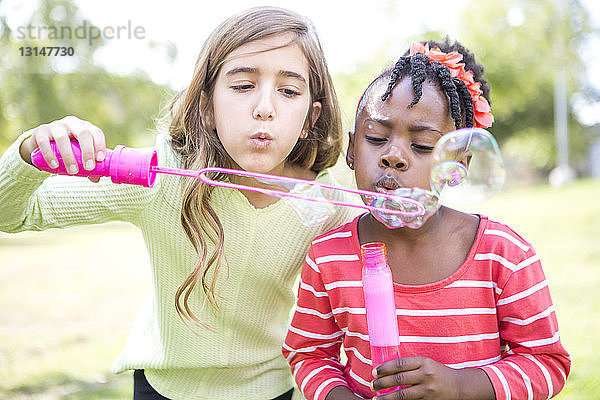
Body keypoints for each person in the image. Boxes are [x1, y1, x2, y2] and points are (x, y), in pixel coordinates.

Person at [0, 6, 359, 400]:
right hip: (161, 390)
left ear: (311, 116)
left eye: (289, 91)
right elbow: (15, 214)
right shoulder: (158, 179)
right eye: (243, 86)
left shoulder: (331, 207)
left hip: (269, 391)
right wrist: (30, 148)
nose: (265, 107)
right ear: (206, 107)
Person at [283, 39, 571, 400]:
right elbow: (310, 355)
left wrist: (462, 385)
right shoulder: (329, 255)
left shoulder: (504, 254)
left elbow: (546, 361)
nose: (394, 156)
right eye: (376, 138)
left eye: (421, 146)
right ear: (352, 150)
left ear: (458, 166)